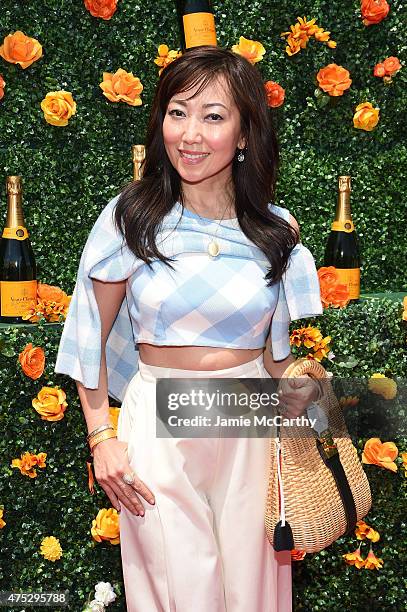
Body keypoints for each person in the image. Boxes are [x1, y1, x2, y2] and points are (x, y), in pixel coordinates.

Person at [54, 46, 324, 612]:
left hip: (250, 416)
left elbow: (278, 359)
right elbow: (88, 336)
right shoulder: (131, 218)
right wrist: (102, 437)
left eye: (214, 116)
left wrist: (300, 382)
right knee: (178, 588)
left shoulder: (277, 230)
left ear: (245, 132)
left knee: (250, 590)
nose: (191, 134)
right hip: (158, 415)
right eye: (178, 112)